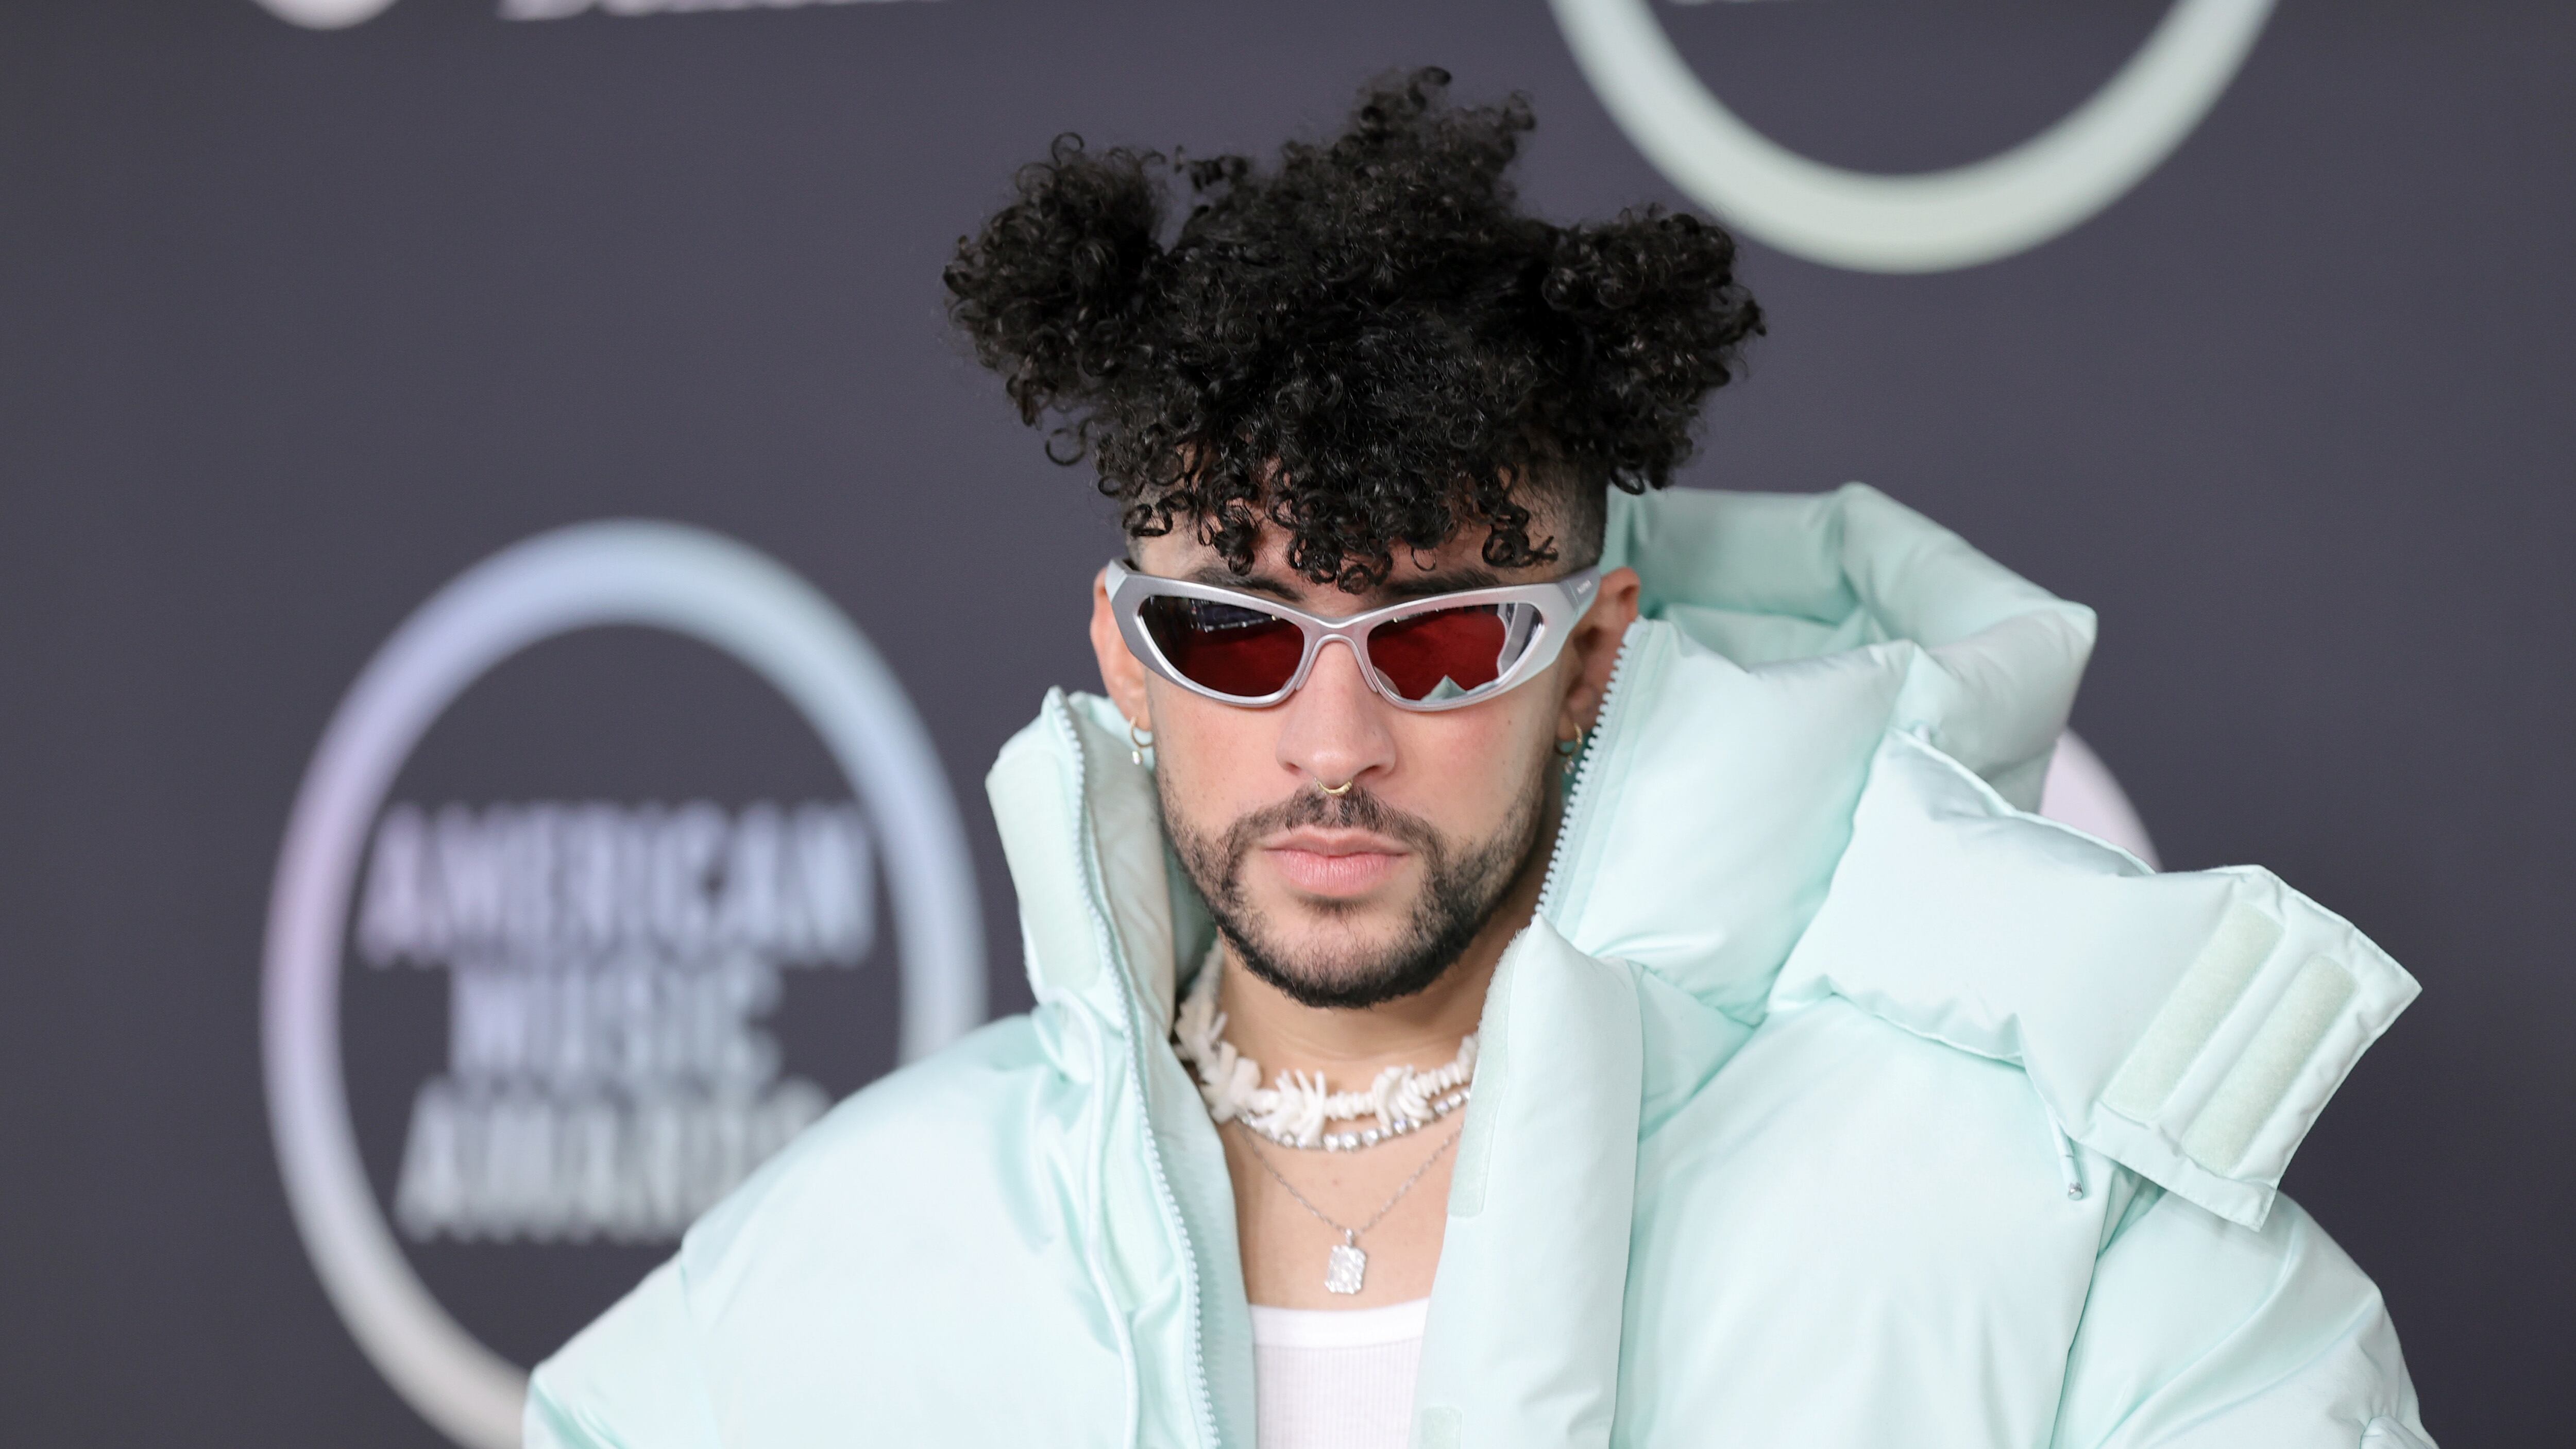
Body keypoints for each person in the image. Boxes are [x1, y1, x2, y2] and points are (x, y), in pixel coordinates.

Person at [527, 70, 2433, 1448]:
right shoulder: (848, 1257)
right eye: (1235, 634)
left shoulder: (2042, 1222)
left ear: (1588, 656)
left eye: (1438, 642)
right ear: (1124, 654)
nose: (1333, 743)